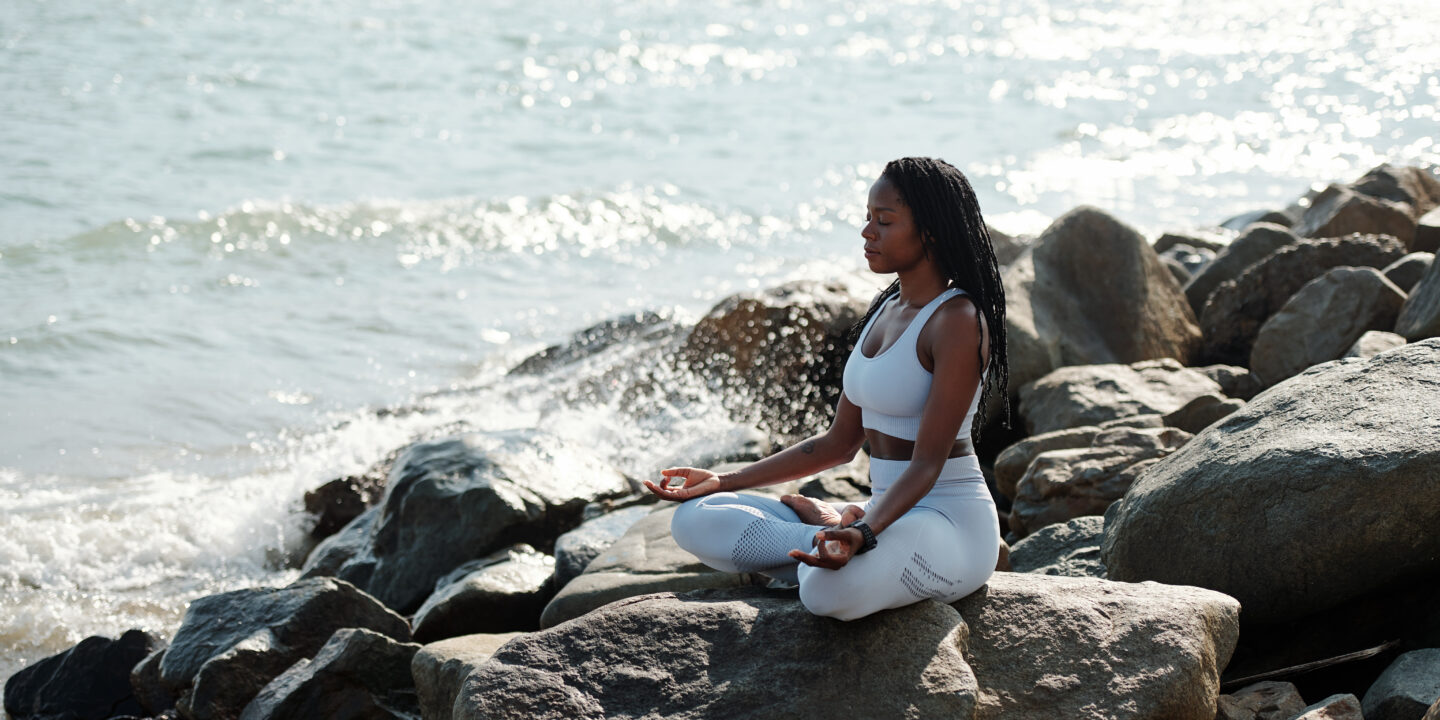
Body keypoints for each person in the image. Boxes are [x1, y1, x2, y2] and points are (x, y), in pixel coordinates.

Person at [644, 156, 1009, 621]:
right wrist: (721, 480)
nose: (867, 232)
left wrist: (866, 533)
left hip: (949, 525)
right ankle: (828, 532)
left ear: (930, 231)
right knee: (695, 518)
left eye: (885, 221)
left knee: (823, 593)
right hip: (884, 515)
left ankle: (838, 533)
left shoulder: (956, 321)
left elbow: (927, 465)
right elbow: (838, 444)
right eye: (867, 218)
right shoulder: (885, 310)